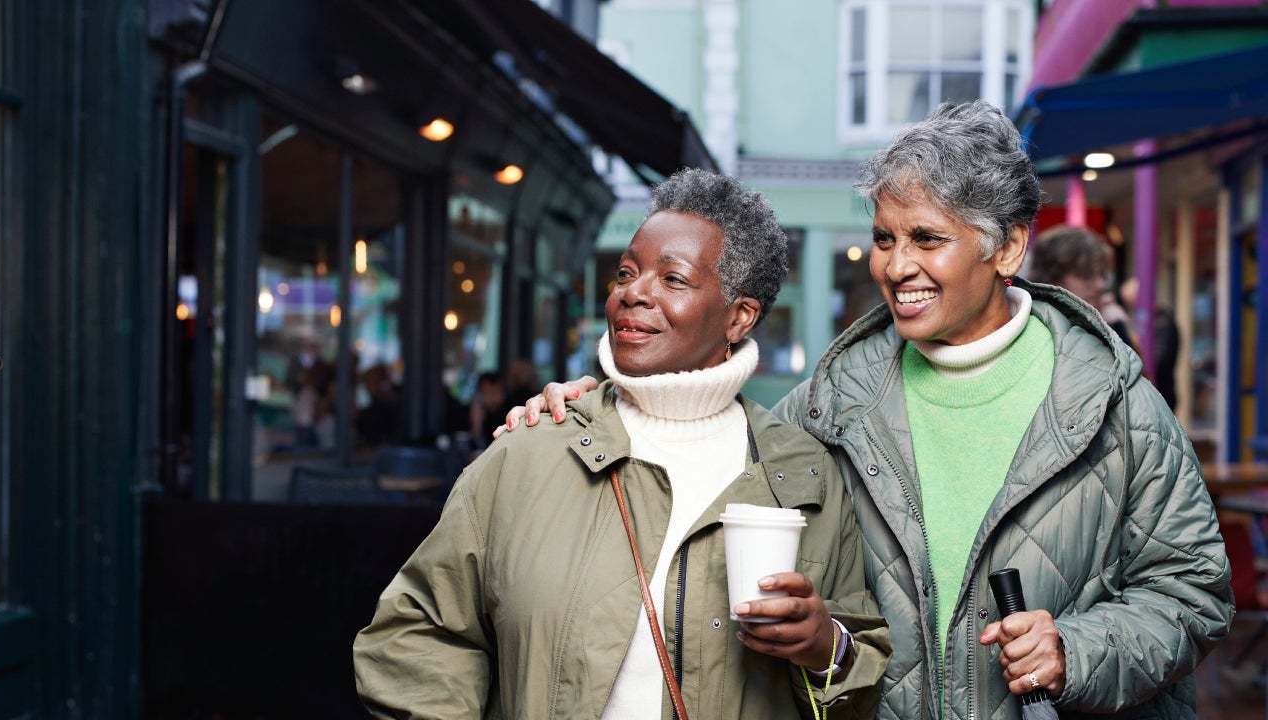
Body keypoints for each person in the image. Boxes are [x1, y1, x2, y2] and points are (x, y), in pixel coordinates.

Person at [499, 101, 1233, 719]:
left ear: (1007, 247)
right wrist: (600, 408)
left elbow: (1193, 589)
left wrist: (1080, 648)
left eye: (926, 239)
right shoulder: (833, 398)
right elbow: (705, 431)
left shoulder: (1112, 398)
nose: (895, 264)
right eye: (884, 238)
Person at [354, 168, 890, 719]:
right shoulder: (530, 451)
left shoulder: (802, 474)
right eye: (626, 273)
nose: (633, 292)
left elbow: (860, 679)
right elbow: (416, 636)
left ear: (739, 317)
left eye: (672, 279)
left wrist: (829, 647)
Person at [1026, 224, 1137, 350]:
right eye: (1086, 275)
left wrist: (1116, 332)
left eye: (1101, 274)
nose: (1100, 285)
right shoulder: (1031, 328)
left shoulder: (1105, 320)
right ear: (1052, 279)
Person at [1120, 276, 1181, 411]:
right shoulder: (1152, 322)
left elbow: (1158, 361)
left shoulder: (1162, 323)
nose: (1133, 309)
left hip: (1161, 393)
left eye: (1133, 303)